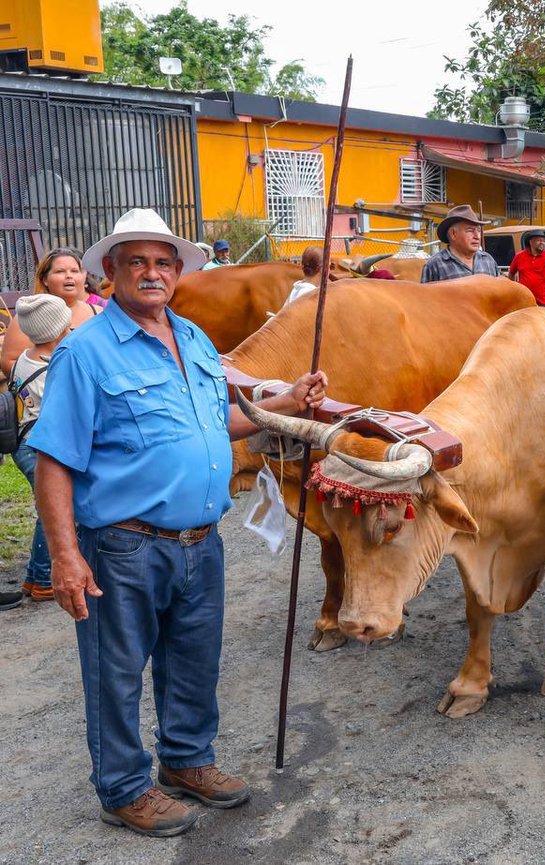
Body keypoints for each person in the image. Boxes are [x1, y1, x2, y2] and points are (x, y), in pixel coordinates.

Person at [27, 208, 329, 838]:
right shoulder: (85, 352)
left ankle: (187, 761)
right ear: (109, 272)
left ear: (179, 272)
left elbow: (215, 422)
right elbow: (54, 458)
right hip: (122, 545)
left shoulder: (191, 338)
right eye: (136, 261)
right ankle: (124, 788)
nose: (152, 273)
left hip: (200, 541)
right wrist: (64, 556)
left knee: (194, 659)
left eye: (163, 262)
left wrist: (284, 405)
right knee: (115, 670)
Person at [9, 294, 74, 603]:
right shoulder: (52, 369)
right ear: (59, 329)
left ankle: (34, 579)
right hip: (39, 447)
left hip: (23, 444)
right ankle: (44, 577)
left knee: (45, 508)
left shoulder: (24, 357)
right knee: (51, 510)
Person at [1, 248, 103, 382]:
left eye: (74, 271)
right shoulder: (28, 316)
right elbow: (9, 361)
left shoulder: (100, 313)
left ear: (84, 278)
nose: (69, 276)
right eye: (60, 271)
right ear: (45, 280)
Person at [420, 205, 498, 282]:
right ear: (453, 234)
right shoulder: (435, 265)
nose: (477, 236)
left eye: (478, 230)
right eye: (470, 230)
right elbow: (425, 294)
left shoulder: (488, 261)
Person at [509, 229, 545, 306]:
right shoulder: (519, 256)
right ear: (531, 242)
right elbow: (511, 273)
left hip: (544, 301)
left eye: (543, 241)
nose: (542, 243)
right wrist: (513, 289)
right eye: (538, 240)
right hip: (524, 300)